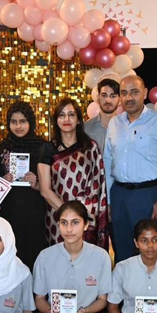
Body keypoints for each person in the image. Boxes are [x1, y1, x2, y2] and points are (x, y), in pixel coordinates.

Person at [104, 76, 157, 263]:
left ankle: (148, 291)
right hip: (119, 195)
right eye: (124, 93)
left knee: (147, 253)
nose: (129, 98)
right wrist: (108, 200)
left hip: (148, 196)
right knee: (121, 251)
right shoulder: (114, 123)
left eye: (134, 92)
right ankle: (124, 292)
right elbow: (107, 163)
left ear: (145, 93)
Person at [38, 99, 108, 249]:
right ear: (56, 120)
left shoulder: (90, 147)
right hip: (57, 216)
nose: (66, 119)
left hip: (86, 216)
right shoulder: (48, 149)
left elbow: (97, 185)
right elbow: (45, 190)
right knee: (59, 261)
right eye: (62, 115)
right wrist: (68, 215)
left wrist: (80, 216)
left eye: (71, 115)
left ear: (78, 120)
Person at [0, 101, 50, 269]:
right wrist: (2, 180)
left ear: (31, 122)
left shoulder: (43, 147)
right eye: (14, 122)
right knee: (11, 253)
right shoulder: (1, 149)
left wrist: (37, 181)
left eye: (23, 121)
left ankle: (35, 294)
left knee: (35, 253)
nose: (18, 126)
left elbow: (53, 182)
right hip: (9, 212)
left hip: (35, 212)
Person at [84, 78, 121, 152]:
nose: (108, 100)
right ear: (98, 98)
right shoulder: (85, 128)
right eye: (104, 95)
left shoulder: (126, 127)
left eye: (113, 96)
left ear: (119, 99)